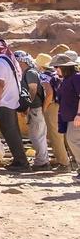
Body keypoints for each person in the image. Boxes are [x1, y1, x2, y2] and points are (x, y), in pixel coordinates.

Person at [0, 36, 29, 172]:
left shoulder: (0, 62)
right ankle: (19, 160)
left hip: (3, 102)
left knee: (10, 132)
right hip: (12, 101)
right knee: (13, 132)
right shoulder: (10, 60)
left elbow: (0, 83)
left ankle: (21, 163)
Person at [17, 51, 51, 168]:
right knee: (35, 135)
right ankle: (42, 160)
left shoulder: (30, 72)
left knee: (38, 135)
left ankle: (42, 162)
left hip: (35, 108)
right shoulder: (29, 72)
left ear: (21, 60)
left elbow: (33, 89)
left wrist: (27, 105)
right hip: (34, 108)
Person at [38, 52, 71, 172]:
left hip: (52, 106)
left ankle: (64, 164)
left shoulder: (44, 75)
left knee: (55, 135)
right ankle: (72, 161)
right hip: (63, 105)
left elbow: (49, 93)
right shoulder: (57, 74)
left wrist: (44, 108)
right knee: (65, 134)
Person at [53, 51, 80, 183]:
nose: (55, 70)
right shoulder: (67, 80)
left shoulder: (76, 78)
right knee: (73, 141)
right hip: (70, 117)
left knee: (73, 141)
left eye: (56, 67)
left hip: (76, 118)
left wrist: (79, 114)